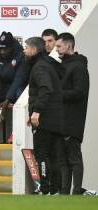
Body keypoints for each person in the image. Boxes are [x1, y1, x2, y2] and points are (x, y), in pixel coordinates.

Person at [24, 37, 64, 195]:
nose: (24, 51)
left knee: (42, 155)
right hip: (55, 118)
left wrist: (36, 111)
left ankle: (45, 189)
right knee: (54, 156)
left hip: (45, 120)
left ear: (34, 50)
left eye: (26, 48)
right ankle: (55, 190)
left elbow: (46, 88)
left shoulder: (39, 67)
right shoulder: (49, 64)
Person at [56, 32, 89, 195]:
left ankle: (76, 192)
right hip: (61, 120)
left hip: (73, 120)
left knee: (74, 158)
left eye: (59, 46)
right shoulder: (63, 65)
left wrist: (57, 94)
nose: (56, 49)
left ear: (69, 46)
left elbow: (80, 93)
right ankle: (64, 193)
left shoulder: (79, 66)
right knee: (62, 159)